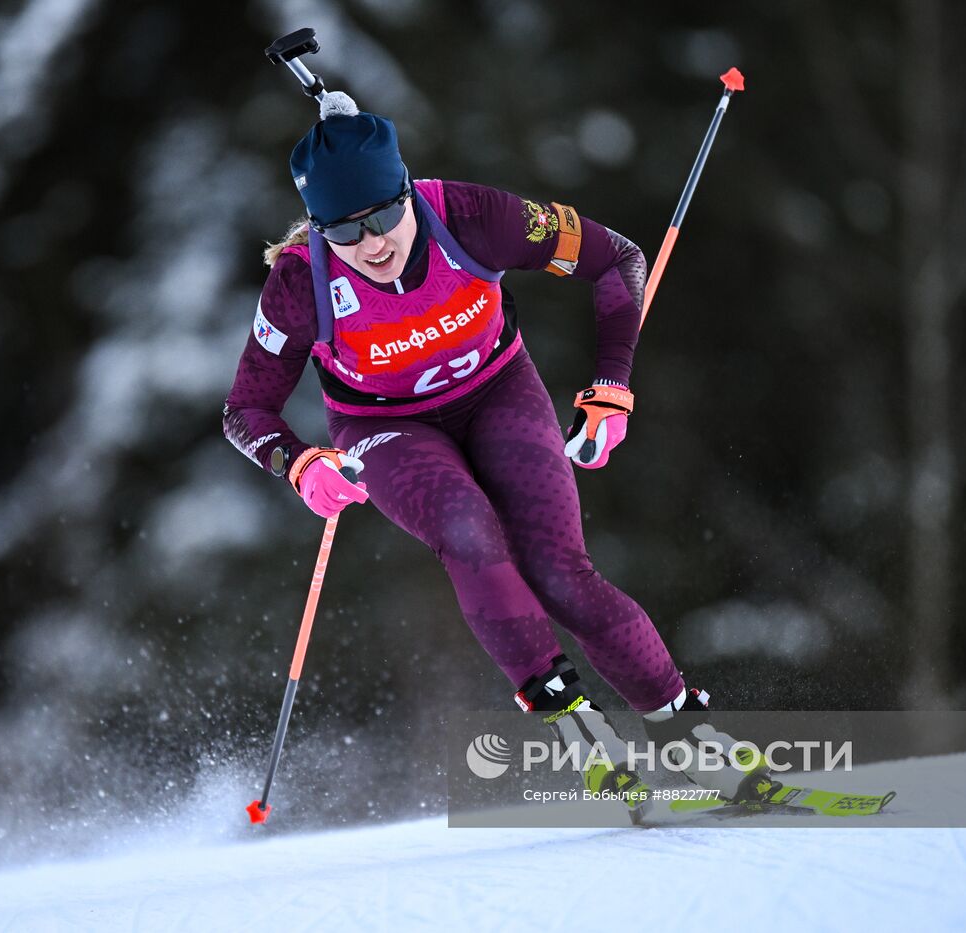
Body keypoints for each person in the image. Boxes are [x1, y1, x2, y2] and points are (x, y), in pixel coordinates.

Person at [223, 92, 767, 812]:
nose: (374, 244)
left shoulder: (474, 217)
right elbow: (246, 410)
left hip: (498, 391)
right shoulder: (301, 282)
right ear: (319, 229)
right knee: (468, 529)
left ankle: (688, 731)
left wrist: (612, 387)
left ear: (408, 189)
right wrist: (299, 463)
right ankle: (574, 728)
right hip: (385, 426)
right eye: (347, 233)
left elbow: (618, 261)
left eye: (385, 216)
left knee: (561, 572)